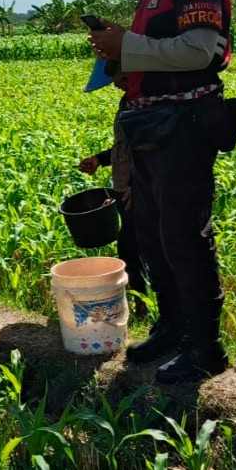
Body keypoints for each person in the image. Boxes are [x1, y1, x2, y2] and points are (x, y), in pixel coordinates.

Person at [89, 0, 235, 385]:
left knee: (184, 235)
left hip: (184, 126)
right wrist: (120, 57)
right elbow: (159, 55)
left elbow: (200, 50)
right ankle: (173, 328)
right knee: (153, 234)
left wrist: (127, 45)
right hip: (153, 127)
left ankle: (206, 346)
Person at [77, 60, 146, 296]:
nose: (117, 85)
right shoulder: (127, 101)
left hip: (139, 191)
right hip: (126, 188)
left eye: (122, 79)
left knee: (135, 249)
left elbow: (148, 153)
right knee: (130, 250)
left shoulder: (147, 104)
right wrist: (99, 159)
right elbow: (124, 149)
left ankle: (146, 305)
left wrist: (137, 188)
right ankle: (141, 303)